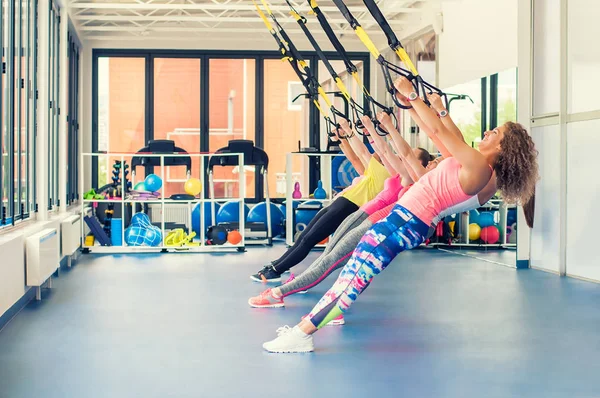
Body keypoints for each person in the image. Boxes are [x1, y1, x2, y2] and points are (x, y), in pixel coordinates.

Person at [261, 76, 539, 353]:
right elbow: (445, 135)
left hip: (405, 222)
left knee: (355, 275)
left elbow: (440, 135)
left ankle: (303, 333)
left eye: (496, 132)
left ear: (502, 147)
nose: (488, 131)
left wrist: (413, 98)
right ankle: (314, 323)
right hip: (405, 220)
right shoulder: (473, 165)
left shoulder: (479, 167)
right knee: (354, 272)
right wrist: (435, 108)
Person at [250, 121, 434, 283]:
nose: (404, 155)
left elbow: (384, 150)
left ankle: (282, 272)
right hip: (346, 204)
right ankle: (281, 265)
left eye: (410, 155)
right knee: (306, 237)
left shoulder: (407, 176)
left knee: (315, 243)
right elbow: (361, 154)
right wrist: (346, 134)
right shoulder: (389, 171)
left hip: (354, 208)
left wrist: (375, 129)